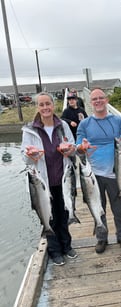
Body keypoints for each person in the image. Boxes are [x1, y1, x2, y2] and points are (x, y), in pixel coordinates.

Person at [21, 92, 77, 266]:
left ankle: (66, 246)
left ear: (54, 105)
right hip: (41, 182)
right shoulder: (29, 129)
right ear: (37, 107)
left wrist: (69, 150)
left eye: (48, 104)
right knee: (49, 217)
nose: (45, 108)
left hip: (62, 179)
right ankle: (54, 250)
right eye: (41, 104)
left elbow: (73, 148)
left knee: (63, 213)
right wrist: (31, 155)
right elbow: (25, 158)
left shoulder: (63, 126)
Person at [76, 88, 121, 254]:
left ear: (106, 100)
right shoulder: (84, 124)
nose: (98, 101)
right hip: (94, 175)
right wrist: (82, 146)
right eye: (94, 99)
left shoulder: (118, 121)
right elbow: (78, 146)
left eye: (101, 98)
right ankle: (102, 238)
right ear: (90, 102)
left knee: (119, 208)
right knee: (98, 206)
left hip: (116, 174)